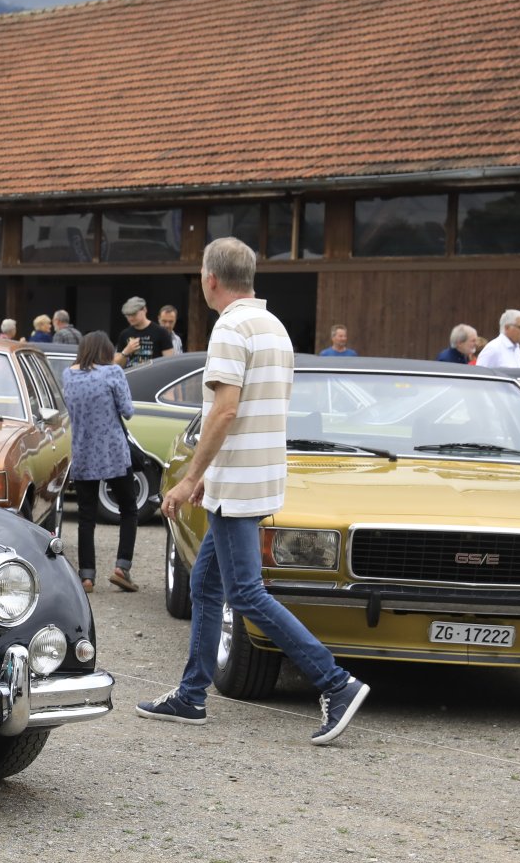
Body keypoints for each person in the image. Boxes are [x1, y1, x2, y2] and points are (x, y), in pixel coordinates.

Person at [139, 237, 368, 744]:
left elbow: (225, 411)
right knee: (205, 585)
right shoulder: (272, 325)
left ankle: (336, 682)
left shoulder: (230, 327)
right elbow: (250, 411)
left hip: (238, 484)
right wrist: (210, 475)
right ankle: (191, 695)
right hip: (254, 477)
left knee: (245, 592)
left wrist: (191, 476)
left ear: (210, 279)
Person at [61, 331, 137, 594]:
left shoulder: (68, 375)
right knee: (128, 508)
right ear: (106, 350)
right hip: (112, 451)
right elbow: (127, 411)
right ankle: (122, 567)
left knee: (86, 516)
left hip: (83, 451)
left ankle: (87, 576)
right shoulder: (113, 372)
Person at [113, 297, 176, 367]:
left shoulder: (161, 332)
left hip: (155, 373)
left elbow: (170, 363)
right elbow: (117, 366)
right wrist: (126, 352)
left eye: (134, 314)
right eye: (128, 315)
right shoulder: (124, 334)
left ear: (144, 310)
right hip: (132, 373)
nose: (130, 318)